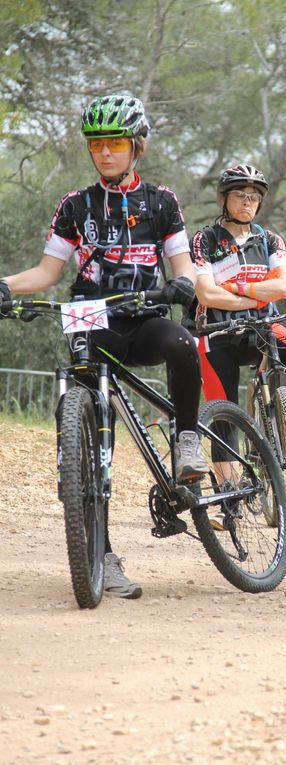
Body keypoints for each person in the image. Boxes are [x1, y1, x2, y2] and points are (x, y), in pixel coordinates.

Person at [0, 93, 208, 599]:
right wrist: (5, 284)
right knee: (87, 431)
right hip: (91, 316)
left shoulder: (162, 201)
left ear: (136, 145)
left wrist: (184, 283)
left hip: (144, 315)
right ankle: (104, 554)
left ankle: (186, 439)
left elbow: (183, 266)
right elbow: (48, 273)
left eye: (114, 142)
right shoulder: (75, 205)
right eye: (96, 144)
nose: (104, 153)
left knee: (181, 343)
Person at [189, 163, 286, 449]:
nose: (247, 201)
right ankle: (230, 490)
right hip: (217, 333)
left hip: (262, 327)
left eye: (254, 196)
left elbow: (283, 288)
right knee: (225, 420)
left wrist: (235, 289)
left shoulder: (270, 241)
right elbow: (206, 294)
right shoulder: (205, 239)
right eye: (239, 194)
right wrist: (260, 294)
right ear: (222, 198)